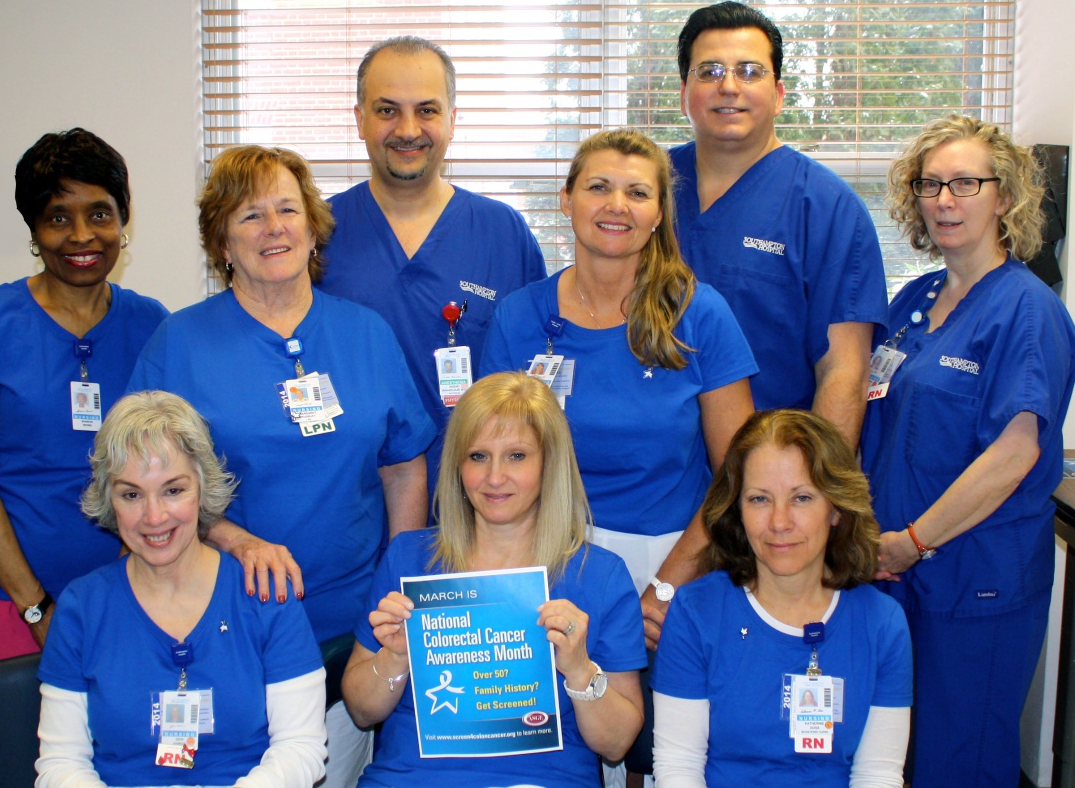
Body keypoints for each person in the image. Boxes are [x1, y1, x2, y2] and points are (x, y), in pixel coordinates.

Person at [128, 145, 436, 786]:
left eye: (287, 209)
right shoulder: (179, 345)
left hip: (355, 617)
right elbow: (144, 491)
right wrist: (237, 540)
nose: (274, 228)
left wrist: (398, 571)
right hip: (227, 615)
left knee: (338, 769)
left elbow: (403, 463)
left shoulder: (365, 332)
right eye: (250, 216)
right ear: (222, 242)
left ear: (313, 224)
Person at [861, 115, 1075, 788]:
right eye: (931, 185)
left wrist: (914, 540)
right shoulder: (912, 302)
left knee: (958, 760)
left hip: (971, 580)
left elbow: (1013, 457)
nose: (946, 200)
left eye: (966, 183)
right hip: (893, 569)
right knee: (893, 754)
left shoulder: (1027, 310)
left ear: (1005, 198)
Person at [480, 128, 756, 648]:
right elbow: (491, 466)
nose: (616, 206)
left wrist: (669, 587)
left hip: (672, 566)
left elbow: (740, 474)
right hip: (546, 563)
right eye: (598, 187)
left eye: (637, 193)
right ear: (566, 200)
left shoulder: (699, 315)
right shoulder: (519, 316)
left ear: (658, 214)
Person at [341, 372, 646, 787]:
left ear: (549, 463)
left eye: (517, 456)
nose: (495, 477)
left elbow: (616, 745)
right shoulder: (409, 559)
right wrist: (393, 657)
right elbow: (361, 711)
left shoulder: (598, 576)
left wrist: (579, 670)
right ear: (457, 465)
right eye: (478, 456)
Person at [0, 128, 167, 670]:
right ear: (34, 230)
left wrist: (129, 584)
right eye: (59, 217)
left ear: (123, 219)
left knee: (116, 751)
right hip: (4, 597)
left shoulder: (151, 323)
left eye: (100, 214)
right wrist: (36, 608)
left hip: (123, 592)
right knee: (18, 749)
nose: (82, 235)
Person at [36, 391, 327, 787]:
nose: (154, 517)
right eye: (131, 494)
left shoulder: (265, 595)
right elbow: (60, 764)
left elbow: (301, 747)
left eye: (173, 490)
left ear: (203, 488)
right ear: (109, 499)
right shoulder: (82, 608)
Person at [320, 36, 547, 493]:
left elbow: (537, 384)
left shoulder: (503, 234)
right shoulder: (317, 234)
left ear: (452, 120)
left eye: (427, 110)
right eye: (387, 110)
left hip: (481, 500)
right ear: (360, 120)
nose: (408, 129)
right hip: (352, 501)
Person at [652, 409, 913, 787]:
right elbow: (679, 768)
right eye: (759, 499)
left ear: (836, 508)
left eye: (802, 498)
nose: (779, 522)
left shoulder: (882, 623)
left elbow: (877, 775)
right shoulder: (697, 613)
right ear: (737, 509)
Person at [670, 1, 887, 447]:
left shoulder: (827, 208)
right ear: (683, 92)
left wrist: (814, 488)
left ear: (779, 93)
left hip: (767, 476)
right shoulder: (645, 191)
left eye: (749, 71)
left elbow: (843, 370)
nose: (728, 86)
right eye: (709, 72)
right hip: (651, 473)